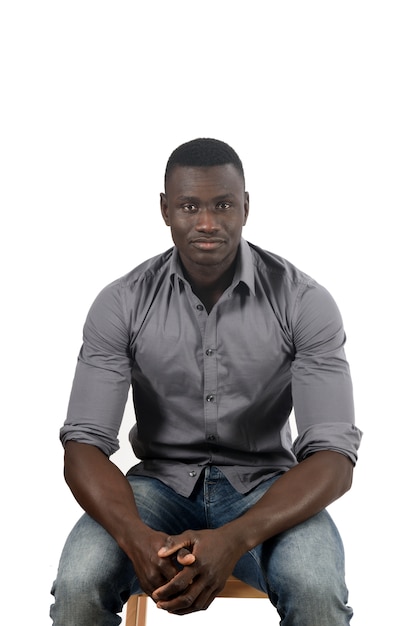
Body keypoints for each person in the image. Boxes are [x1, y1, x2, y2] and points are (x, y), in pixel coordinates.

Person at [50, 138, 362, 626]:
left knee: (316, 588)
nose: (208, 223)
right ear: (164, 209)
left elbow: (335, 459)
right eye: (190, 206)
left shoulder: (304, 302)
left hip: (266, 489)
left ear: (246, 207)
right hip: (157, 487)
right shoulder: (122, 303)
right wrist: (135, 537)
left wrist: (235, 537)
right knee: (77, 585)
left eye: (223, 205)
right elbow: (83, 446)